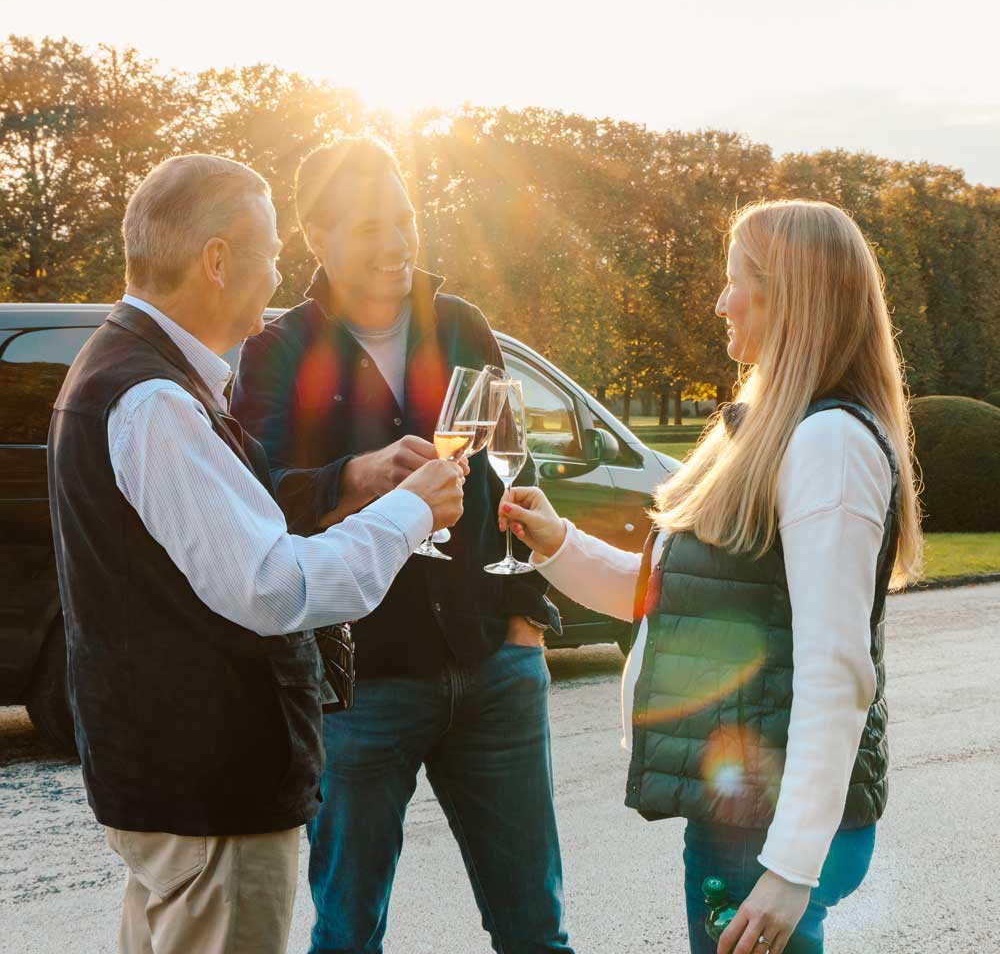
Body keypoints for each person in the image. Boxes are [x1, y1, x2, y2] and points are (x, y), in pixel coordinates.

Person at [47, 153, 466, 954]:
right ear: (216, 261)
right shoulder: (155, 400)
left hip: (169, 785)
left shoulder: (125, 372)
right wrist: (411, 512)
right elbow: (273, 586)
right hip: (210, 791)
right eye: (272, 251)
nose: (281, 273)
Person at [499, 200, 922, 954]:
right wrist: (556, 542)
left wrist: (791, 869)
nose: (720, 302)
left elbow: (837, 670)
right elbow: (671, 604)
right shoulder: (770, 428)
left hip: (767, 829)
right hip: (746, 815)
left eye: (736, 282)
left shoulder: (827, 442)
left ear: (788, 295)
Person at [231, 135, 574, 954]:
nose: (395, 243)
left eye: (404, 219)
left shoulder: (462, 326)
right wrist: (358, 476)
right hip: (360, 685)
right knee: (348, 933)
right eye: (370, 227)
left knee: (536, 929)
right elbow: (255, 500)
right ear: (319, 238)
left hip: (494, 666)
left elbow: (509, 476)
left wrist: (524, 618)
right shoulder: (276, 349)